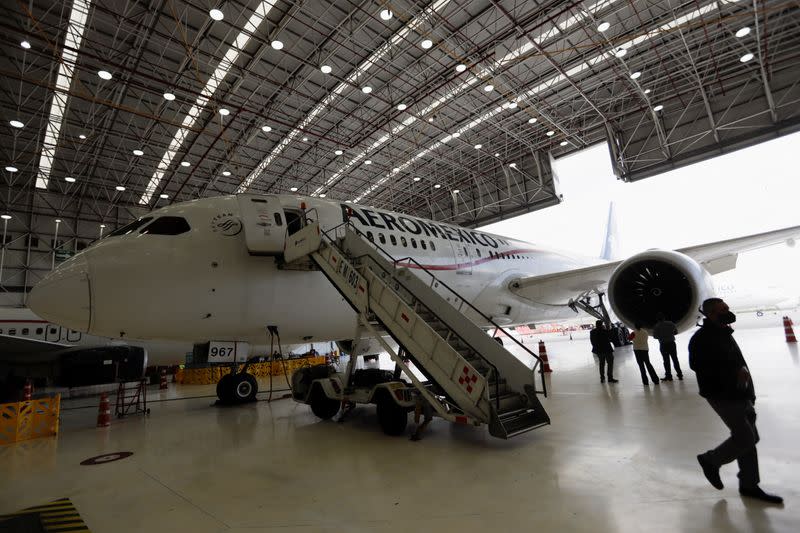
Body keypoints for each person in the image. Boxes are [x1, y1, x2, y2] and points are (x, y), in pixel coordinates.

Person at [690, 298, 783, 504]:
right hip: (723, 395)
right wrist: (733, 374)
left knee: (751, 439)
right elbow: (698, 366)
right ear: (712, 313)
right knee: (745, 439)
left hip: (741, 394)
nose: (728, 311)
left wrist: (750, 392)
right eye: (723, 309)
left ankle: (749, 484)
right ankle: (711, 460)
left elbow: (741, 365)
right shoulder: (702, 338)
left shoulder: (724, 332)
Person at [653, 312, 682, 381]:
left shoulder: (657, 326)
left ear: (657, 319)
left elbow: (655, 336)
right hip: (672, 344)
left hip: (663, 345)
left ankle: (669, 376)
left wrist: (662, 336)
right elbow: (676, 332)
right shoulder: (671, 323)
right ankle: (680, 375)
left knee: (666, 361)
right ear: (664, 318)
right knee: (675, 359)